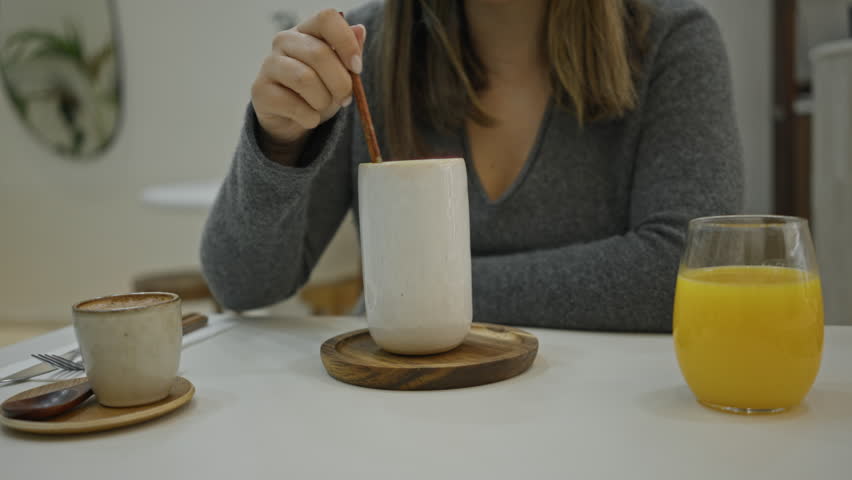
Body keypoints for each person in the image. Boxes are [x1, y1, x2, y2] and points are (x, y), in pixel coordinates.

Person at [201, 0, 743, 332]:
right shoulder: (367, 55)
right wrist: (279, 139)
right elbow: (243, 284)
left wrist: (407, 298)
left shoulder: (671, 39)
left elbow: (687, 270)